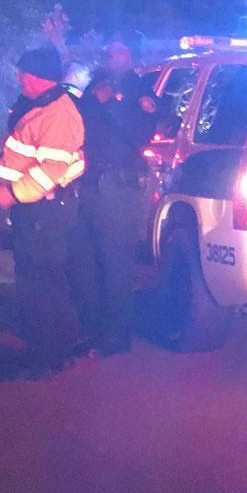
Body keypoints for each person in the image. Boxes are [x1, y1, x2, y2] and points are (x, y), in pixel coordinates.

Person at [0, 45, 86, 377]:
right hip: (37, 210)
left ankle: (46, 356)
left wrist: (11, 194)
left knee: (41, 282)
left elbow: (48, 171)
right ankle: (49, 350)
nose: (19, 79)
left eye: (23, 73)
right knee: (41, 280)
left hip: (42, 211)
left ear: (36, 76)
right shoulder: (43, 107)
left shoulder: (57, 114)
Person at [77, 31, 156, 354]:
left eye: (119, 51)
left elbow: (138, 133)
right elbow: (80, 119)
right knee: (87, 260)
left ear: (130, 57)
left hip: (119, 184)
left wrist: (111, 102)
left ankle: (117, 334)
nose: (112, 56)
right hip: (90, 181)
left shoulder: (141, 90)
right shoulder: (94, 85)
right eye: (109, 50)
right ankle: (93, 327)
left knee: (116, 261)